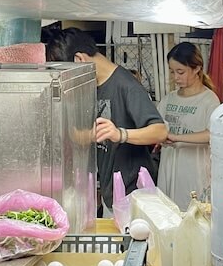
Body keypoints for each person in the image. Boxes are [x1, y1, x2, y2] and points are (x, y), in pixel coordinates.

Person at [46, 27, 167, 212]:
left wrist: (120, 134)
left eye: (66, 73)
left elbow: (160, 131)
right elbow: (82, 135)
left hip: (134, 196)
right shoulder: (91, 87)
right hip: (111, 193)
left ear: (79, 59)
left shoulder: (126, 85)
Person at [157, 43, 221, 209]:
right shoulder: (168, 99)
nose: (175, 77)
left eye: (181, 72)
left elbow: (212, 135)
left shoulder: (209, 100)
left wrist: (176, 138)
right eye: (172, 71)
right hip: (168, 172)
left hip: (195, 175)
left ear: (196, 69)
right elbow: (156, 127)